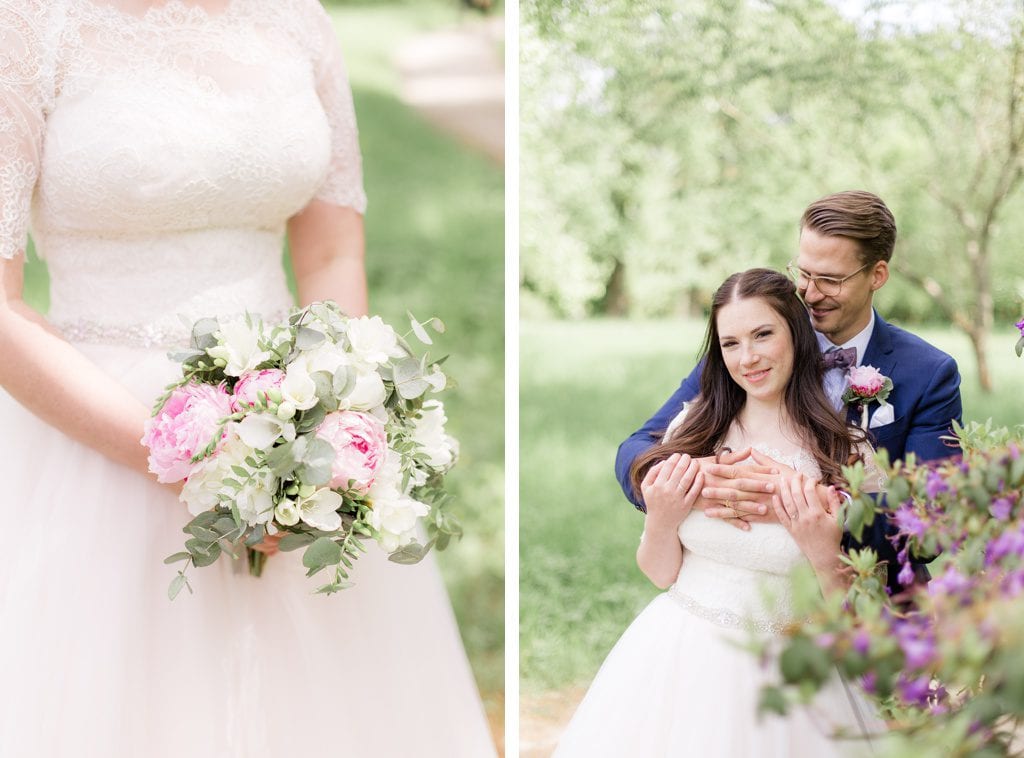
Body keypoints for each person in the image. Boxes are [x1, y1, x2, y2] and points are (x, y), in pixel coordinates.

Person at [0, 2, 494, 756]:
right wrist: (201, 467)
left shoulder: (296, 20)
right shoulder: (31, 25)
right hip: (97, 436)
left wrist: (329, 425)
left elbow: (332, 253)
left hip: (293, 429)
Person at [554, 269, 886, 757]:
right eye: (730, 343)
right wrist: (662, 516)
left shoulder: (846, 452)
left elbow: (851, 615)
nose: (747, 358)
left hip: (789, 677)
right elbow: (660, 572)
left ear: (796, 333)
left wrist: (822, 547)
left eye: (762, 335)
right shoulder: (696, 428)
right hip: (677, 654)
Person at [615, 190, 962, 593]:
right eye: (804, 272)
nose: (810, 293)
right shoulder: (749, 348)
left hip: (867, 607)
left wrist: (826, 509)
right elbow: (638, 446)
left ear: (877, 275)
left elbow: (933, 522)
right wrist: (688, 483)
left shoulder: (928, 374)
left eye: (830, 280)